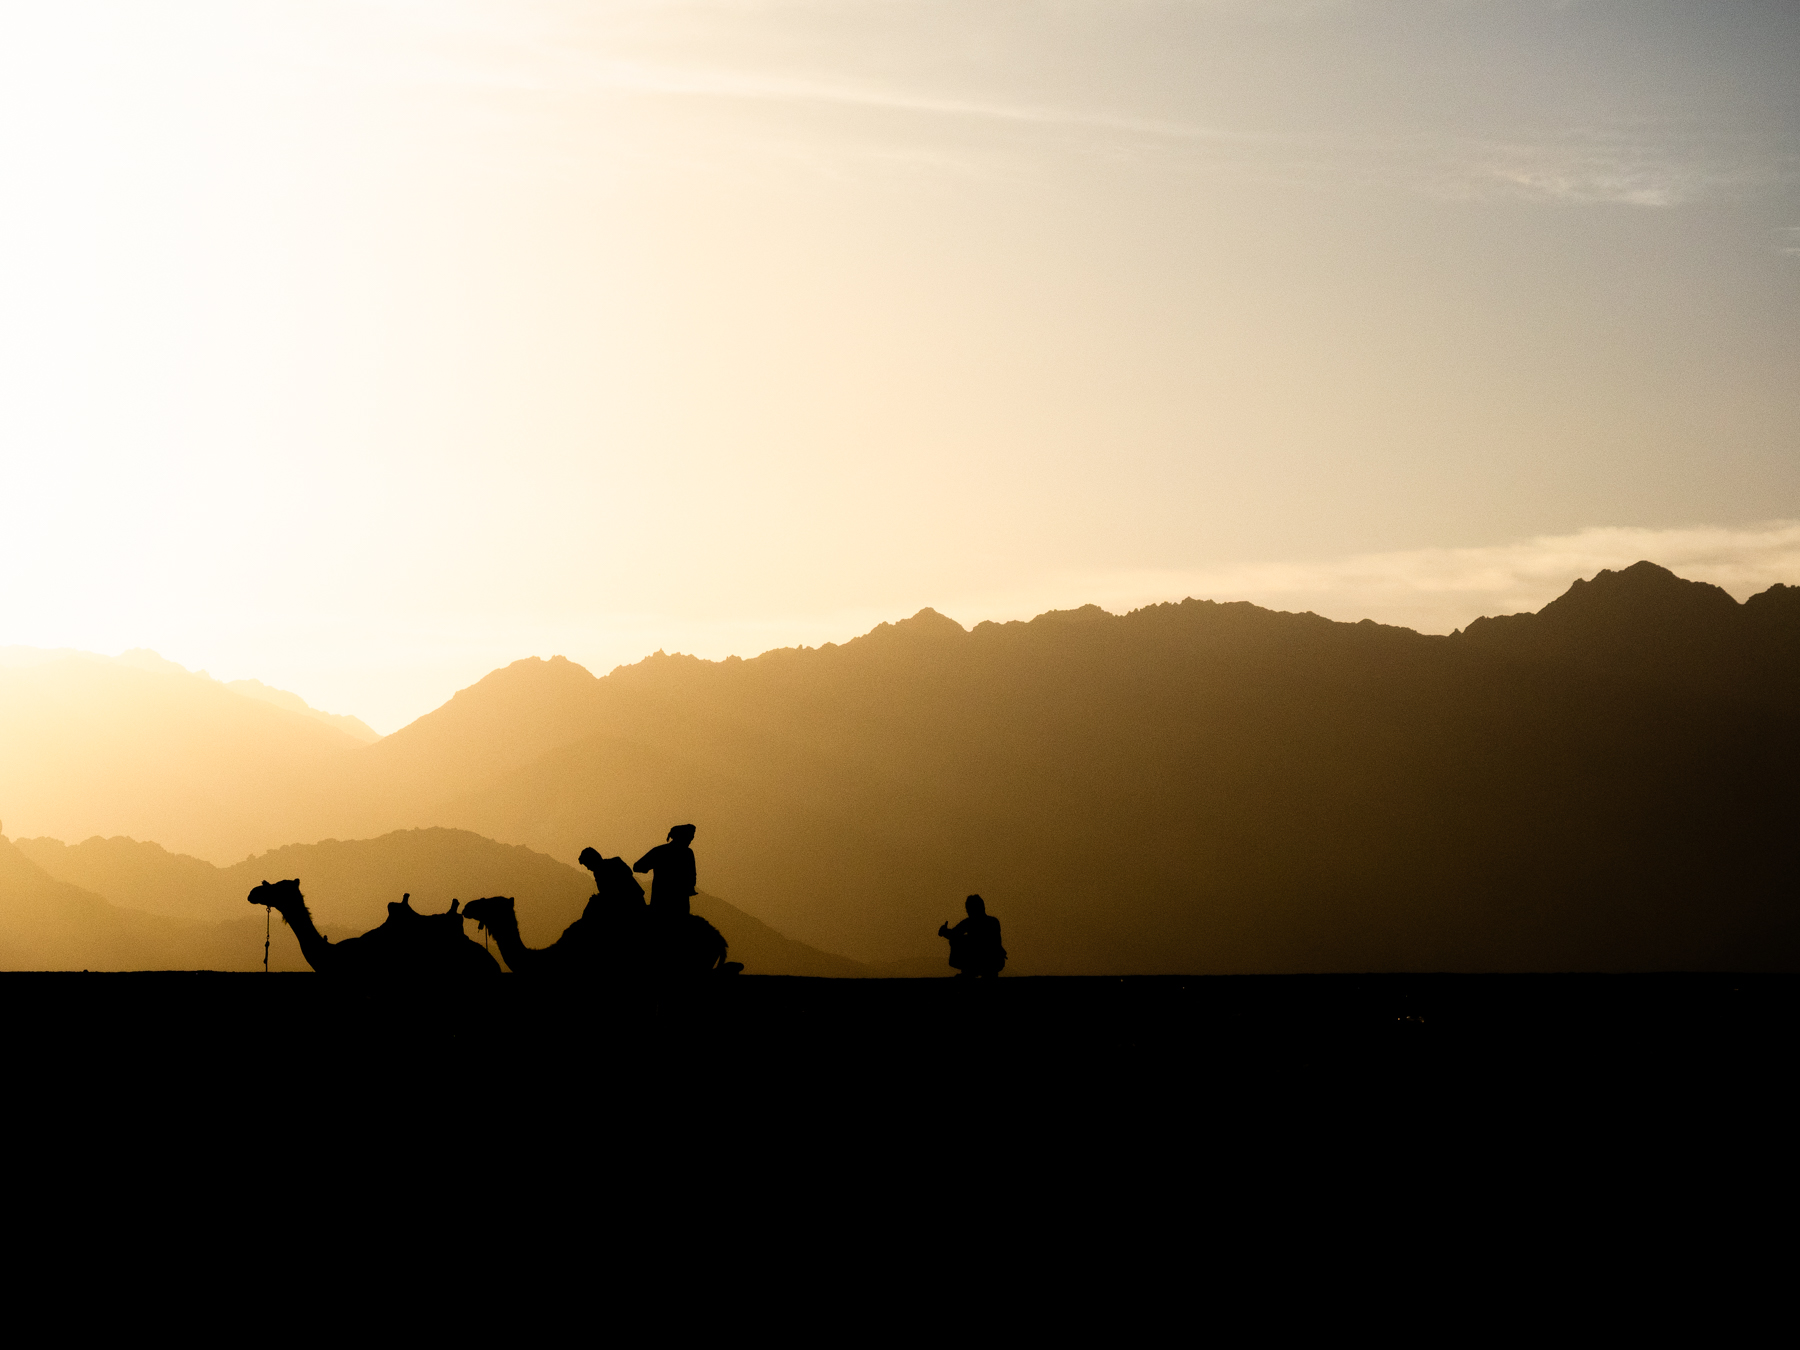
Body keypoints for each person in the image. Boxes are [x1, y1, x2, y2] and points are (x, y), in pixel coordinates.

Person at [634, 824, 698, 919]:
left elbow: (638, 867)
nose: (690, 840)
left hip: (661, 903)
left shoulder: (660, 851)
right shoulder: (687, 853)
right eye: (689, 837)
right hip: (678, 905)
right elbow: (692, 877)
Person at [938, 894, 1005, 977]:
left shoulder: (969, 923)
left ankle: (969, 971)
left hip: (984, 961)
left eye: (968, 909)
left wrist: (944, 931)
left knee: (957, 940)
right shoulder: (994, 922)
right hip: (995, 962)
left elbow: (953, 934)